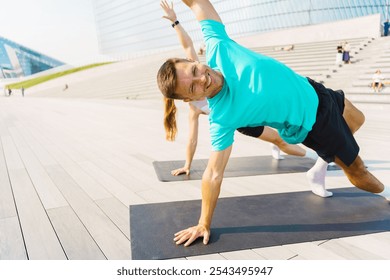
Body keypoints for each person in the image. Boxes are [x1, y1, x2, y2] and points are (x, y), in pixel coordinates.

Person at [157, 0, 390, 247]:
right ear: (189, 99)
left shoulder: (218, 44)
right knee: (358, 170)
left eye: (195, 69)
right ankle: (383, 190)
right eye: (193, 86)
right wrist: (204, 223)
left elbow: (197, 3)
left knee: (358, 119)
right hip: (314, 126)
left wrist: (175, 16)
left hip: (314, 90)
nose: (203, 77)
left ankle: (320, 166)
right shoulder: (222, 117)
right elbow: (213, 173)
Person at [160, 0, 318, 178]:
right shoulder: (194, 107)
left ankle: (303, 150)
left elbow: (187, 45)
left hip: (252, 100)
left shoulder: (195, 73)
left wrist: (175, 22)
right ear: (186, 97)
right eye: (191, 88)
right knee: (279, 141)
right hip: (244, 120)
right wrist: (187, 165)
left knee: (277, 124)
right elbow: (192, 138)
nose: (202, 81)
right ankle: (316, 158)